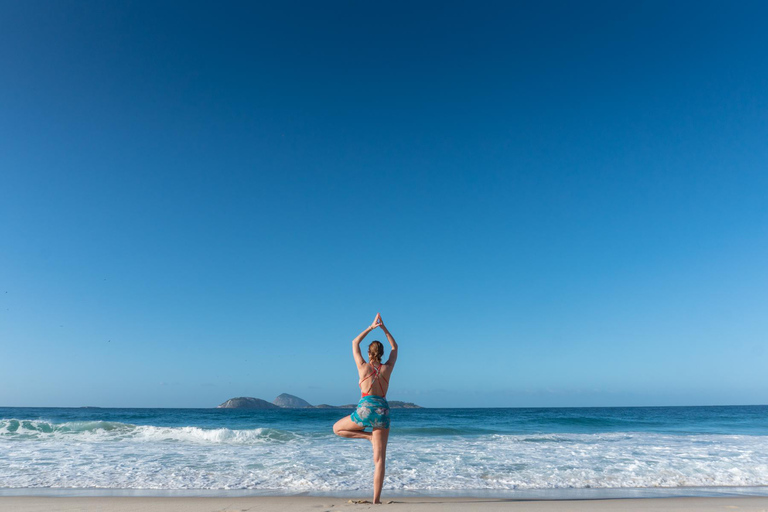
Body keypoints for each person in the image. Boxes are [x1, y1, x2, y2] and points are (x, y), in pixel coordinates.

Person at [333, 312, 398, 504]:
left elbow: (354, 342)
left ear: (369, 353)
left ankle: (366, 436)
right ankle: (376, 500)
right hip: (383, 412)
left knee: (337, 429)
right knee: (379, 461)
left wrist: (371, 327)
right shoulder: (388, 368)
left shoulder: (362, 366)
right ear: (382, 353)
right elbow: (395, 347)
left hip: (365, 410)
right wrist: (384, 328)